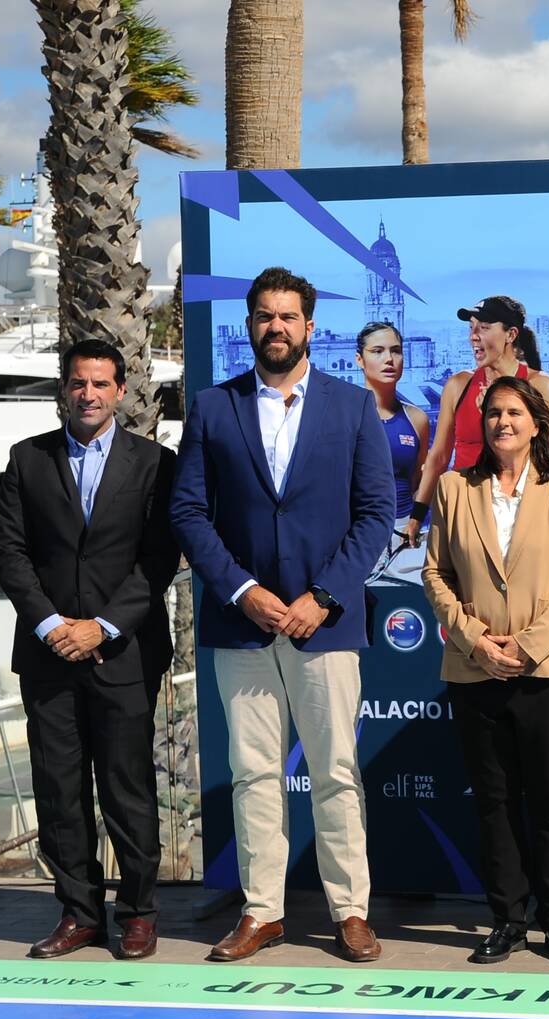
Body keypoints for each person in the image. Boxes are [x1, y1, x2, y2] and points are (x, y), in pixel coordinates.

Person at [170, 266, 395, 964]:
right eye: (265, 315)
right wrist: (242, 590)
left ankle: (350, 910)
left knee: (334, 769)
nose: (276, 326)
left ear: (310, 326)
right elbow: (188, 511)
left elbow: (376, 515)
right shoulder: (213, 408)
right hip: (242, 624)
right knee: (254, 771)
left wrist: (320, 596)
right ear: (250, 326)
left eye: (288, 316)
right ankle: (262, 911)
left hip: (324, 623)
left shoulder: (353, 408)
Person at [0, 339, 177, 960]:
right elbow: (10, 555)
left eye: (100, 384)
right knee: (58, 788)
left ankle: (139, 914)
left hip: (123, 655)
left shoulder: (154, 463)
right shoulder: (27, 460)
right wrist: (51, 627)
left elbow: (158, 561)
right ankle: (79, 914)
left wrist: (101, 627)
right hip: (48, 657)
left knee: (128, 787)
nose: (89, 395)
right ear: (62, 390)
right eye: (78, 384)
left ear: (120, 390)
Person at [422, 376, 549, 964]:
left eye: (515, 412)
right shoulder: (452, 488)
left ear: (537, 422)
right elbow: (435, 574)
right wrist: (477, 643)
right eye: (493, 413)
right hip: (476, 672)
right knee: (493, 802)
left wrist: (526, 647)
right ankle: (507, 920)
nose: (503, 423)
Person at [414, 295, 549, 511]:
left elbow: (543, 458)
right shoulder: (458, 385)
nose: (473, 336)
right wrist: (418, 514)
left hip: (517, 509)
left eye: (483, 327)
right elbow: (440, 456)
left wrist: (492, 416)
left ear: (511, 334)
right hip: (465, 508)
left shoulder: (539, 385)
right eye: (471, 328)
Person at [356, 320, 431, 556]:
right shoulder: (343, 416)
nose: (389, 359)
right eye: (377, 351)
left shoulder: (416, 419)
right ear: (360, 360)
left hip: (404, 535)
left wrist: (415, 522)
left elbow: (419, 480)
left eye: (396, 351)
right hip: (357, 537)